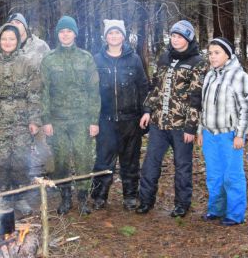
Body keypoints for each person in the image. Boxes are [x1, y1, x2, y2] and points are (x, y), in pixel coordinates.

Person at [137, 20, 207, 218]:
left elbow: (196, 97)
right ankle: (145, 201)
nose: (176, 40)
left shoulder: (197, 62)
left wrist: (191, 128)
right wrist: (147, 110)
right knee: (151, 163)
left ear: (188, 38)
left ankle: (182, 204)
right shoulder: (164, 57)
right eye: (173, 36)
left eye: (180, 36)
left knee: (182, 165)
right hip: (159, 123)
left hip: (181, 126)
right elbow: (155, 87)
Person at [0, 23, 42, 215]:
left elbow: (35, 94)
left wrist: (34, 120)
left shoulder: (28, 63)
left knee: (20, 160)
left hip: (21, 120)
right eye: (4, 39)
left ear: (18, 41)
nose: (8, 42)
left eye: (12, 39)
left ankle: (19, 196)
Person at [40, 16, 100, 215]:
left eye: (69, 31)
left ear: (75, 33)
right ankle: (65, 198)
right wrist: (45, 120)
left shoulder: (86, 58)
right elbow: (44, 91)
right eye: (62, 31)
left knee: (83, 159)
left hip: (81, 120)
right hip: (58, 121)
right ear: (57, 34)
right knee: (61, 161)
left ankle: (83, 199)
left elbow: (94, 91)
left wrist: (94, 120)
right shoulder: (49, 59)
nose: (65, 34)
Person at [91, 20, 150, 211]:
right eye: (110, 33)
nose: (113, 36)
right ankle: (99, 196)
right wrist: (92, 118)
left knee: (130, 160)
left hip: (130, 120)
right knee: (103, 160)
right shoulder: (97, 60)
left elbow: (143, 87)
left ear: (123, 36)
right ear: (105, 37)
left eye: (117, 33)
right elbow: (90, 91)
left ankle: (130, 195)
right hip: (105, 119)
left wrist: (146, 111)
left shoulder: (134, 59)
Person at [197, 37, 248, 226]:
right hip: (209, 134)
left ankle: (235, 214)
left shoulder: (239, 76)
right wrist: (200, 129)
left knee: (232, 175)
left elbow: (247, 108)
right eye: (210, 53)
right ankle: (216, 210)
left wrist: (240, 134)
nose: (212, 57)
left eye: (217, 53)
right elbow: (203, 106)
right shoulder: (209, 75)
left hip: (230, 135)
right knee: (214, 175)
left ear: (228, 54)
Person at [6, 13, 52, 178]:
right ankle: (22, 181)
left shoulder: (41, 46)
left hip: (38, 104)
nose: (16, 25)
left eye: (19, 22)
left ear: (25, 26)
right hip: (16, 106)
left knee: (43, 144)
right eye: (12, 23)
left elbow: (50, 74)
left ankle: (54, 178)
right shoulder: (7, 45)